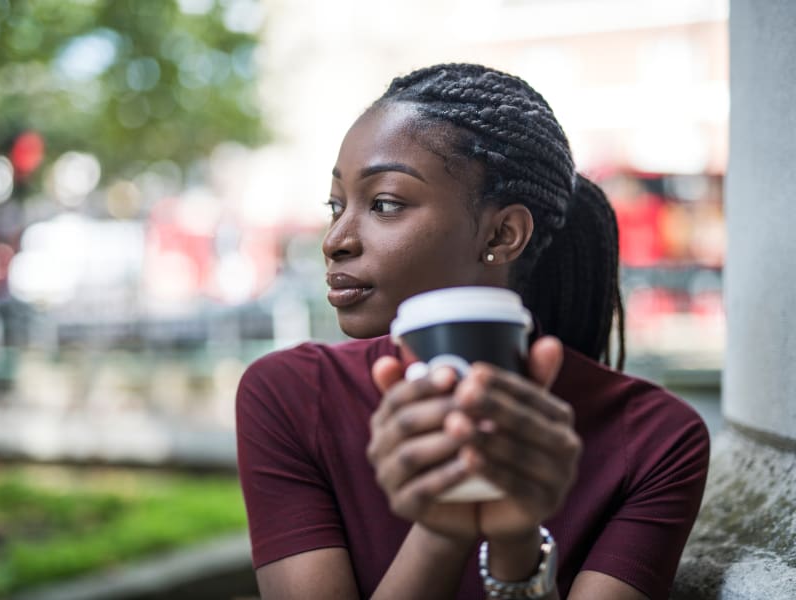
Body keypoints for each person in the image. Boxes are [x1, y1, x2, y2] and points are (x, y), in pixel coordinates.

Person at [236, 63, 709, 599]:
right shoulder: (288, 395)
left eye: (384, 203)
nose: (336, 240)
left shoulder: (659, 441)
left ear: (503, 234)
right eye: (336, 205)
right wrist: (443, 527)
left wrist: (516, 546)